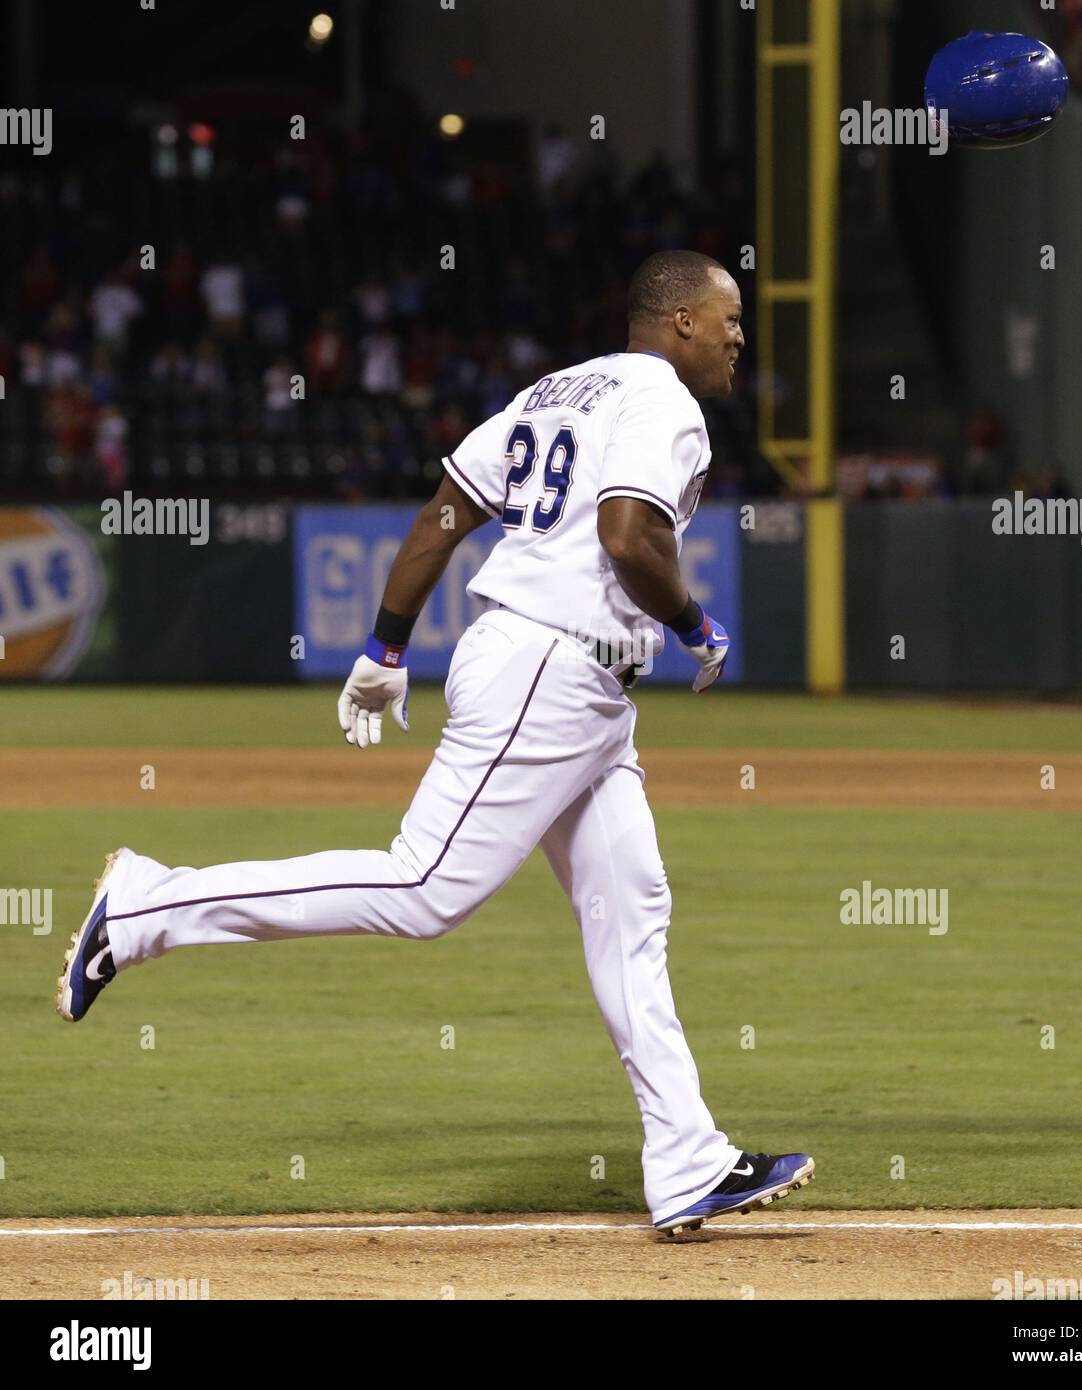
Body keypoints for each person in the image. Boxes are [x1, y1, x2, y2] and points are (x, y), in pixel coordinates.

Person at [55, 250, 814, 1235]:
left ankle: (686, 1159)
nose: (738, 337)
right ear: (675, 322)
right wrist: (697, 623)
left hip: (566, 683)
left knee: (631, 908)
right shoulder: (665, 399)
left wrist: (385, 642)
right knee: (422, 889)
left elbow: (445, 512)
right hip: (552, 668)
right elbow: (630, 537)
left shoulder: (557, 390)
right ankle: (148, 904)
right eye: (727, 319)